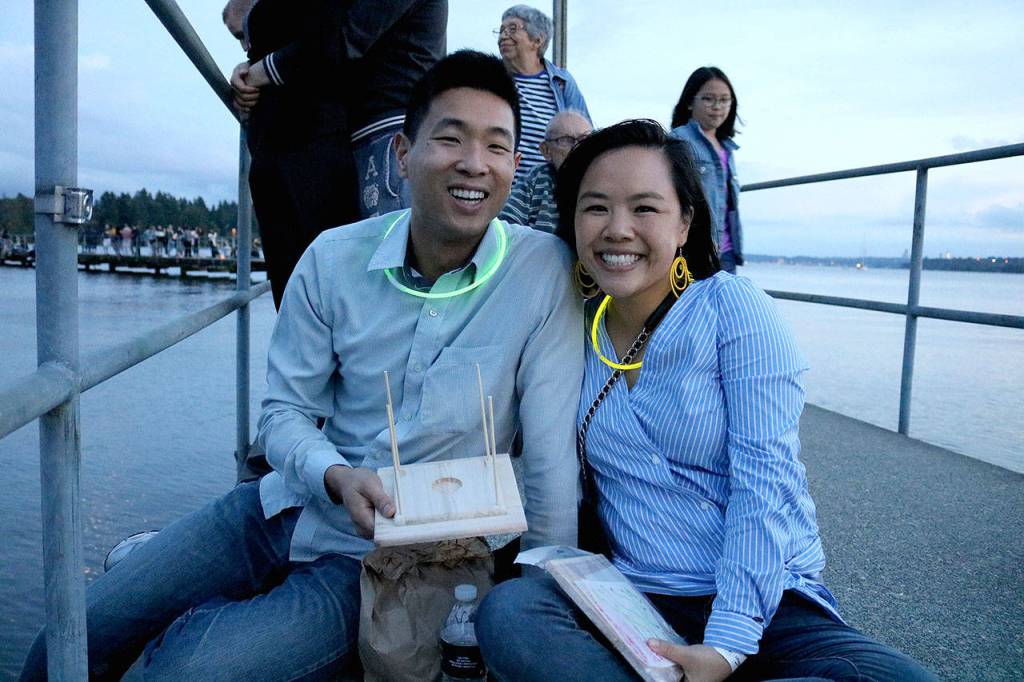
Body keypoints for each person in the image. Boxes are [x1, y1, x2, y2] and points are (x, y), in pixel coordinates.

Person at [20, 49, 582, 681]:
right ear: (402, 153)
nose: (474, 163)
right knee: (71, 636)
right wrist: (335, 473)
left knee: (186, 672)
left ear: (515, 162)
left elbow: (551, 458)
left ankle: (198, 620)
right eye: (450, 138)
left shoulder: (540, 274)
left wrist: (536, 597)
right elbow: (286, 413)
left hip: (382, 557)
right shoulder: (335, 257)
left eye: (497, 146)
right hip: (278, 507)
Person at [475, 120, 934, 682]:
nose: (617, 230)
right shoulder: (574, 331)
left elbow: (764, 481)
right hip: (632, 602)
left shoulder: (731, 310)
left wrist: (727, 643)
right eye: (595, 208)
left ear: (685, 221)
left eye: (645, 208)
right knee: (511, 613)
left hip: (765, 604)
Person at [225, 0, 361, 308]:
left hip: (313, 146)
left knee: (323, 294)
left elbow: (328, 43)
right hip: (278, 149)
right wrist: (246, 69)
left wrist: (258, 71)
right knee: (294, 296)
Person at [496, 4, 590, 179]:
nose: (503, 36)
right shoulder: (493, 80)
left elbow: (586, 137)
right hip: (505, 187)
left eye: (512, 29)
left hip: (550, 190)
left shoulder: (562, 82)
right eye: (501, 30)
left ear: (537, 40)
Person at [670, 67, 744, 274]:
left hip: (727, 252)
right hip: (695, 250)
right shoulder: (679, 140)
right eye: (709, 99)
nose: (717, 107)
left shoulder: (727, 148)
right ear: (690, 102)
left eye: (724, 100)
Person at [500, 109, 591, 233]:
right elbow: (506, 224)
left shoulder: (599, 182)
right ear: (546, 150)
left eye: (584, 139)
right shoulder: (536, 178)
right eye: (565, 140)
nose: (577, 147)